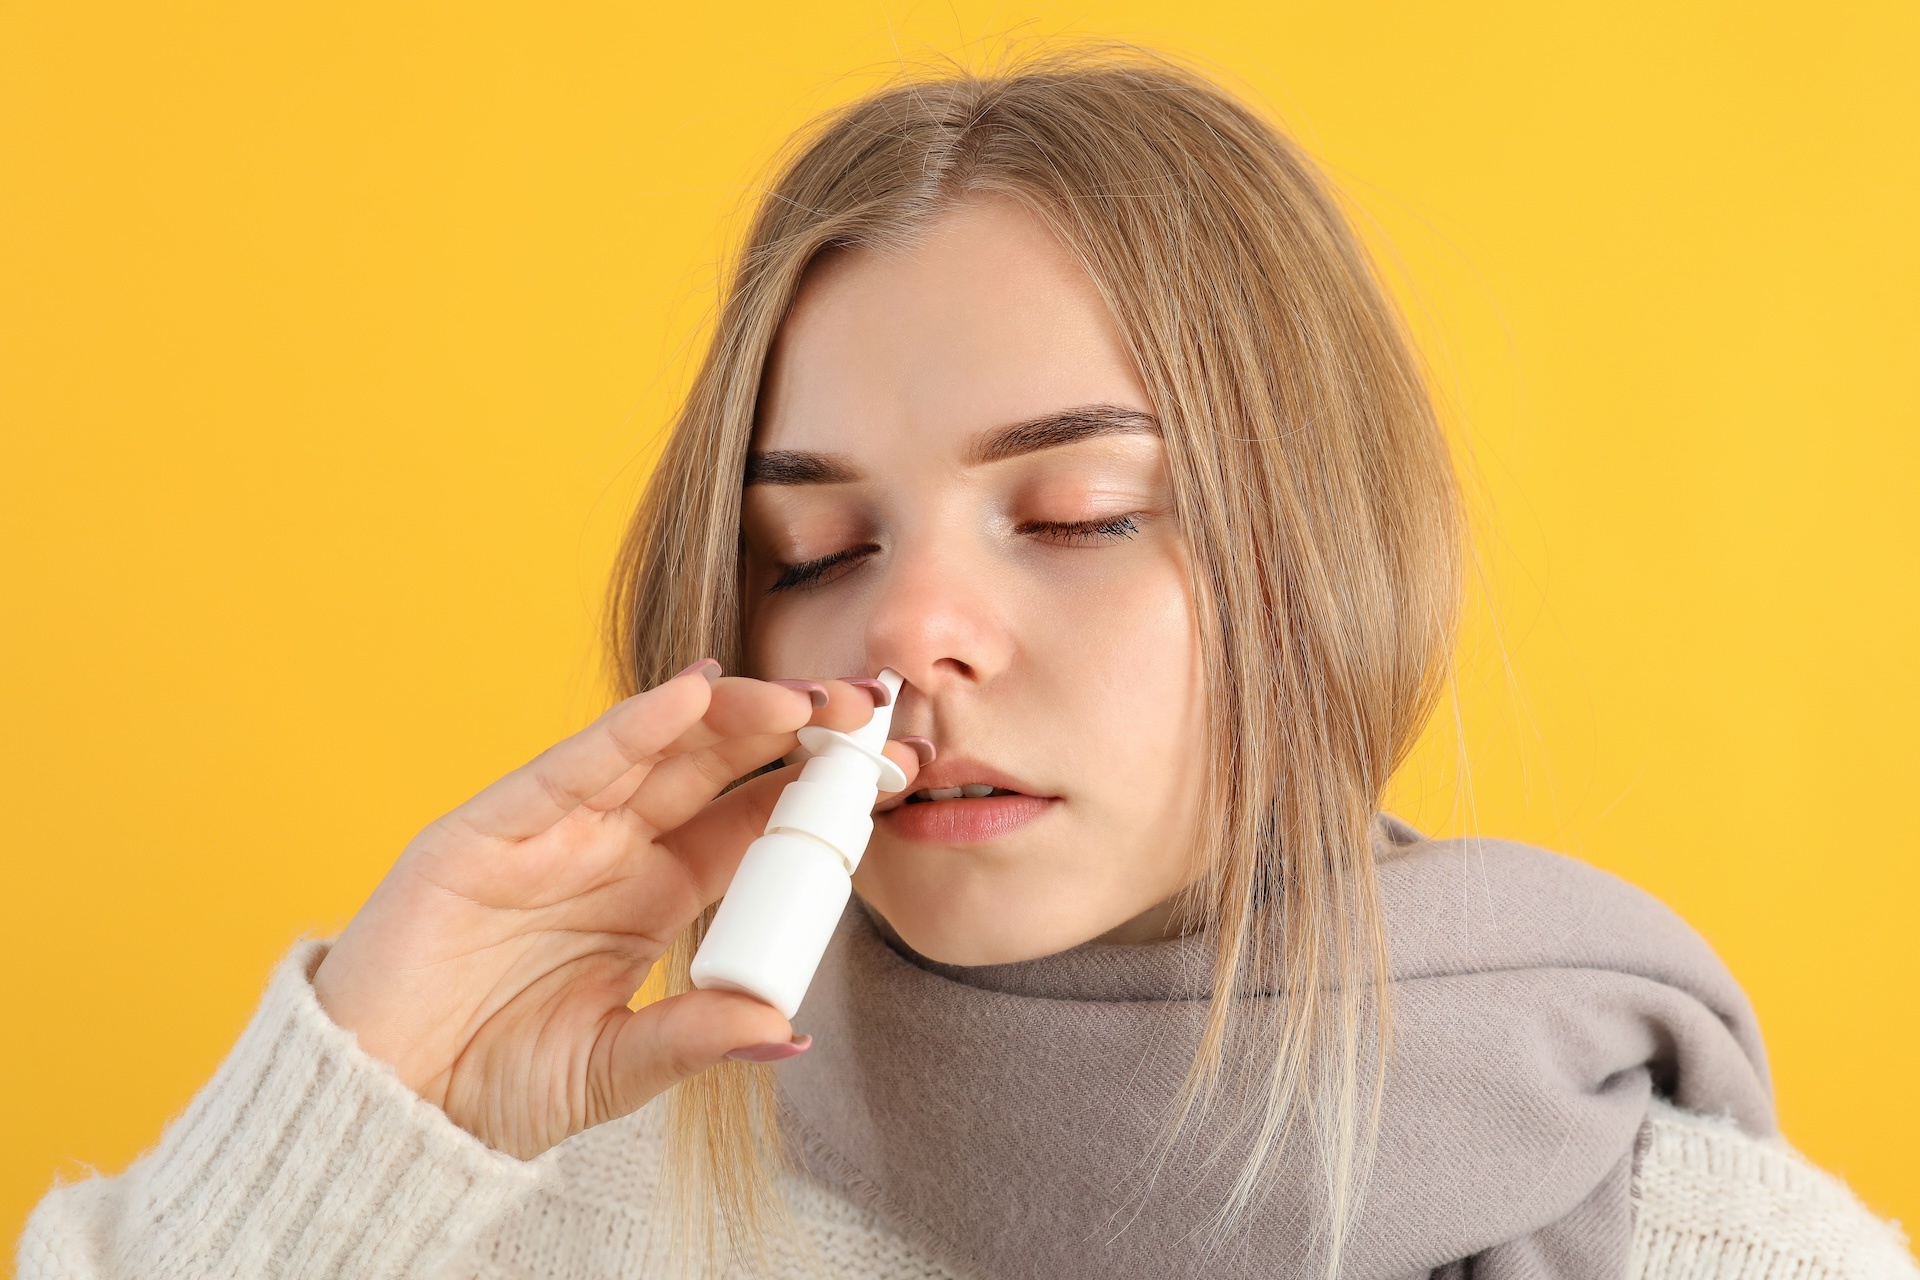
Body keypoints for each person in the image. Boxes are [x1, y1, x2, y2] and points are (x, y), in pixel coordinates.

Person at [20, 50, 1917, 1280]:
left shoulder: (1708, 1246)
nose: (907, 631)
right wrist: (364, 1104)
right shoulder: (555, 1209)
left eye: (1083, 509)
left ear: (1323, 553)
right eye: (813, 551)